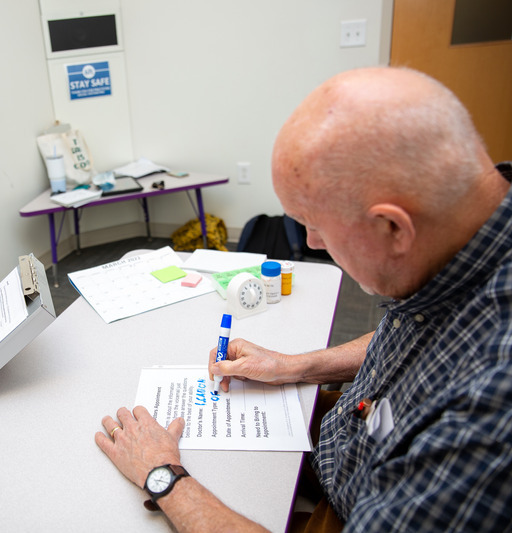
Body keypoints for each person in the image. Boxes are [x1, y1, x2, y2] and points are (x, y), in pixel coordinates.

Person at [95, 66, 512, 532]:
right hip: (347, 438)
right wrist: (296, 366)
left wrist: (163, 477)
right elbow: (426, 330)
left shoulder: (491, 410)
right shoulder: (474, 233)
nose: (311, 243)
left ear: (394, 227)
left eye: (313, 223)